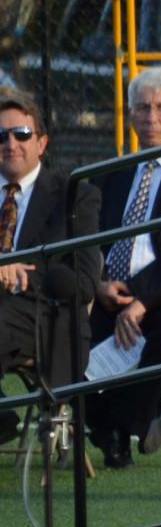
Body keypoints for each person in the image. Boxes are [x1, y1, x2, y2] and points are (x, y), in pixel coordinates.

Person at [86, 67, 161, 468]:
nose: (152, 118)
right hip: (107, 289)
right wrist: (97, 285)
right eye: (143, 108)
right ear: (130, 116)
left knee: (160, 332)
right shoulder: (111, 175)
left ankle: (138, 421)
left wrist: (141, 300)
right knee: (74, 336)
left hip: (160, 293)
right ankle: (108, 431)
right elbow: (91, 238)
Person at [0, 88, 101, 444]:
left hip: (40, 312)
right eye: (2, 136)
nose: (11, 143)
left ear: (41, 143)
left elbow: (84, 282)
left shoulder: (73, 195)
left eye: (21, 134)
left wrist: (22, 274)